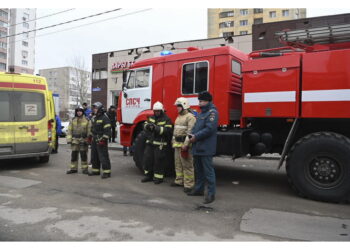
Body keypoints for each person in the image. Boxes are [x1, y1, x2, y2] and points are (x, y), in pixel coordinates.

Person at [188, 91, 218, 204]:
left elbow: (209, 129)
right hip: (198, 146)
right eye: (199, 101)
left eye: (201, 101)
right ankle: (199, 189)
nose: (199, 103)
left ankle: (211, 194)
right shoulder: (201, 113)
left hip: (206, 148)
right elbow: (196, 126)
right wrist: (191, 133)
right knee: (199, 171)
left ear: (207, 101)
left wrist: (195, 136)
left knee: (208, 172)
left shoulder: (212, 113)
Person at [141, 101, 173, 184]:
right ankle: (148, 176)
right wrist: (148, 126)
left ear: (162, 110)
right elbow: (144, 125)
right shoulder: (151, 117)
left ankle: (158, 178)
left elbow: (168, 131)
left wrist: (156, 128)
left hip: (160, 144)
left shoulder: (167, 119)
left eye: (158, 111)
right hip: (150, 143)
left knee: (159, 161)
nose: (156, 112)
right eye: (155, 111)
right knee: (147, 159)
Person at [171, 97, 196, 193]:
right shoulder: (178, 117)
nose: (177, 108)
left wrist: (186, 145)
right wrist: (173, 141)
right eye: (177, 106)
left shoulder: (190, 117)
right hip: (177, 144)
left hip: (185, 145)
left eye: (178, 106)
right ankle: (179, 181)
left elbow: (190, 132)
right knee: (178, 164)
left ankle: (189, 185)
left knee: (187, 165)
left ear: (184, 106)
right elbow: (175, 131)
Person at [89, 102, 112, 179]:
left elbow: (108, 131)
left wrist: (104, 139)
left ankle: (107, 172)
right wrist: (90, 136)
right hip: (94, 140)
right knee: (94, 156)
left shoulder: (105, 118)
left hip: (101, 140)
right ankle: (96, 171)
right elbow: (92, 129)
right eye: (94, 108)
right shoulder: (94, 118)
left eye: (95, 108)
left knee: (103, 156)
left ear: (99, 109)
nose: (94, 110)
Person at [66, 107, 91, 174]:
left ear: (82, 112)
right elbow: (69, 130)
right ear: (76, 112)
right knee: (74, 155)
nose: (79, 112)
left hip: (83, 140)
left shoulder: (87, 120)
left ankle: (85, 169)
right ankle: (73, 169)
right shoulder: (73, 120)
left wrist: (88, 140)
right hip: (74, 140)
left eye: (80, 111)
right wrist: (69, 139)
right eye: (77, 111)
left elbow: (89, 131)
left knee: (83, 155)